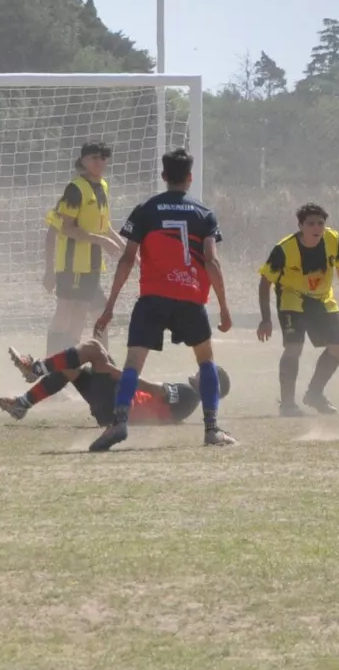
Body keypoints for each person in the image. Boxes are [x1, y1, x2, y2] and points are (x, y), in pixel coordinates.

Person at [91, 147, 236, 452]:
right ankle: (212, 429)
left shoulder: (146, 210)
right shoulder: (204, 214)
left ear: (164, 176)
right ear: (190, 177)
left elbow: (128, 260)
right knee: (206, 360)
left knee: (133, 363)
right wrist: (223, 306)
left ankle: (118, 422)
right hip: (189, 298)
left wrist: (110, 307)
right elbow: (212, 262)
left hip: (153, 298)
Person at [256, 202, 339, 416]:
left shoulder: (333, 240)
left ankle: (314, 393)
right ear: (301, 226)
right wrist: (266, 319)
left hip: (323, 299)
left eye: (320, 223)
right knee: (294, 347)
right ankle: (287, 404)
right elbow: (265, 282)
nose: (316, 228)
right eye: (311, 223)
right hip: (292, 299)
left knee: (338, 346)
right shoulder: (284, 249)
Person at [0, 340, 231, 428]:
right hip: (114, 408)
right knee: (70, 369)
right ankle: (22, 404)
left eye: (209, 374)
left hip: (119, 404)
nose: (202, 370)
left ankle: (35, 369)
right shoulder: (189, 401)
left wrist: (114, 371)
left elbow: (152, 389)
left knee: (94, 348)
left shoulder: (189, 394)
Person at [42, 141, 123, 355]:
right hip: (72, 264)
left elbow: (104, 227)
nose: (99, 162)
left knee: (97, 313)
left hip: (92, 265)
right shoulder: (75, 189)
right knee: (68, 311)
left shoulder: (102, 186)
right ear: (83, 160)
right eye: (94, 157)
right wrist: (49, 270)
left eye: (103, 158)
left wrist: (127, 250)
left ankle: (91, 366)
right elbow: (62, 229)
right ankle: (51, 366)